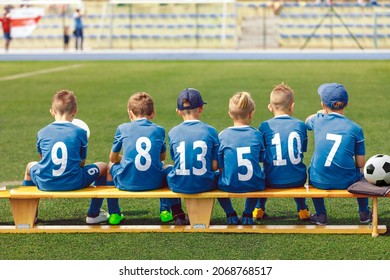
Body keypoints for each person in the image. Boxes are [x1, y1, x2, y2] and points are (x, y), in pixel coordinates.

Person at [22, 89, 115, 225]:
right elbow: (82, 163)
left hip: (45, 182)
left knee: (30, 166)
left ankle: (29, 215)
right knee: (103, 167)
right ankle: (94, 214)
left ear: (52, 112)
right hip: (73, 182)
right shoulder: (80, 132)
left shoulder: (42, 132)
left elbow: (43, 160)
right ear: (75, 111)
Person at [305, 83, 371, 225]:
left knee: (311, 170)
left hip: (318, 181)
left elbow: (306, 122)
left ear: (323, 104)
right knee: (362, 173)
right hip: (346, 180)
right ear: (345, 104)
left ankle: (321, 214)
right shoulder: (355, 128)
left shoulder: (318, 120)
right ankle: (364, 213)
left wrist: (320, 113)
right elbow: (360, 163)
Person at [107, 92, 174, 224]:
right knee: (165, 167)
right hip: (155, 182)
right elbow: (162, 157)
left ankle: (114, 213)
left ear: (130, 113)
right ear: (153, 113)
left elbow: (113, 158)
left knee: (109, 165)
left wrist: (125, 159)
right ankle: (165, 211)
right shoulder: (159, 130)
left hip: (126, 182)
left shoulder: (122, 128)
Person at [167, 88, 232, 225]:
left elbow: (176, 159)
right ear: (201, 109)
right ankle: (230, 213)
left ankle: (177, 213)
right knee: (220, 174)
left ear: (178, 111)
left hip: (180, 184)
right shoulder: (211, 131)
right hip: (205, 183)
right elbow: (214, 166)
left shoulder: (173, 132)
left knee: (167, 170)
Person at [253, 83, 310, 221]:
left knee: (263, 169)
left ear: (270, 107)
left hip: (271, 179)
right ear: (292, 106)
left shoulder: (264, 126)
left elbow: (261, 155)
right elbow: (302, 150)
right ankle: (302, 209)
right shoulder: (300, 125)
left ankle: (259, 209)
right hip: (297, 179)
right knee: (296, 167)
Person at [217, 92, 265, 225]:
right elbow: (261, 158)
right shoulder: (256, 134)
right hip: (254, 184)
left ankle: (230, 213)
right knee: (260, 172)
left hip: (229, 184)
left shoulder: (223, 135)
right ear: (251, 113)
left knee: (215, 176)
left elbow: (220, 166)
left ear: (230, 114)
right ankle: (248, 213)